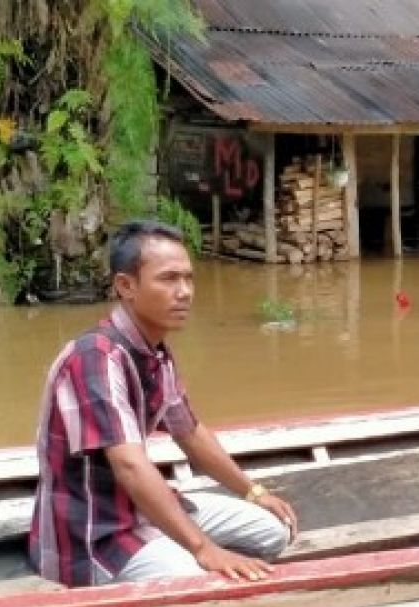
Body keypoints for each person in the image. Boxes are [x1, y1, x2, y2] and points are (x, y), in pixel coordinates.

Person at [28, 220, 298, 587]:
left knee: (273, 531)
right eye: (169, 279)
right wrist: (203, 549)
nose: (184, 292)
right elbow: (129, 466)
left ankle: (182, 554)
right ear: (126, 286)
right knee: (194, 579)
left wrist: (254, 491)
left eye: (188, 279)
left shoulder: (156, 353)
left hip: (143, 513)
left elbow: (190, 432)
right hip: (95, 535)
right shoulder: (96, 357)